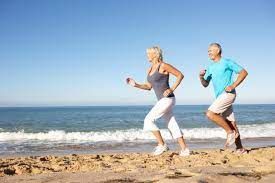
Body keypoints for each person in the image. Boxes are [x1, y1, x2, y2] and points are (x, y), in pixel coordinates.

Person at [126, 46, 190, 156]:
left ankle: (162, 145)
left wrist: (171, 89)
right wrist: (135, 85)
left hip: (168, 99)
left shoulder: (163, 65)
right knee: (171, 124)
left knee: (148, 120)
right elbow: (148, 86)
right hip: (162, 100)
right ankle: (185, 149)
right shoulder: (150, 69)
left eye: (148, 53)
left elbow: (180, 75)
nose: (147, 56)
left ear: (155, 54)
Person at [199, 43, 248, 153]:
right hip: (220, 97)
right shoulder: (210, 67)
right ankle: (240, 148)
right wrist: (201, 77)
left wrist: (233, 85)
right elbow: (205, 84)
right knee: (231, 122)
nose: (208, 53)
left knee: (210, 114)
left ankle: (230, 133)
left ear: (218, 50)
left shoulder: (227, 62)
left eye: (210, 50)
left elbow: (244, 72)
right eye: (208, 51)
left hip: (228, 94)